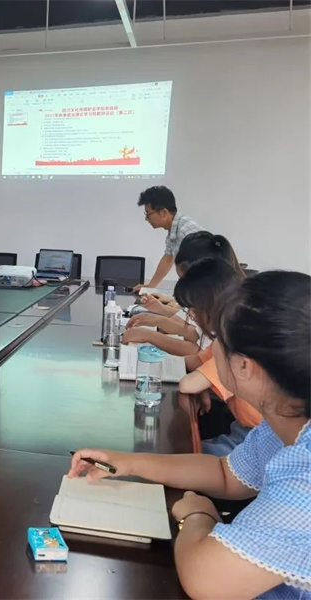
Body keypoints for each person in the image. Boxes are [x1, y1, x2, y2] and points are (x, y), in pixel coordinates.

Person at [70, 271, 311, 600]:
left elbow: (208, 582)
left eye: (217, 342)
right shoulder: (289, 418)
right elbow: (226, 474)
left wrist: (198, 515)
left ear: (245, 367)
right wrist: (126, 462)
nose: (212, 350)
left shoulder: (305, 476)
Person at [171, 258, 258, 455]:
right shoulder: (229, 334)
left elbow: (189, 384)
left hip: (256, 434)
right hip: (243, 427)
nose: (190, 315)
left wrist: (204, 383)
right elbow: (196, 362)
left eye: (194, 309)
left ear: (212, 305)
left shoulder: (237, 341)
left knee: (184, 456)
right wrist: (158, 362)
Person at [134, 186, 204, 292]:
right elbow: (168, 258)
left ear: (163, 212)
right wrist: (151, 286)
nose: (146, 219)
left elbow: (204, 270)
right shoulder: (174, 229)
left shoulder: (186, 232)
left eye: (148, 213)